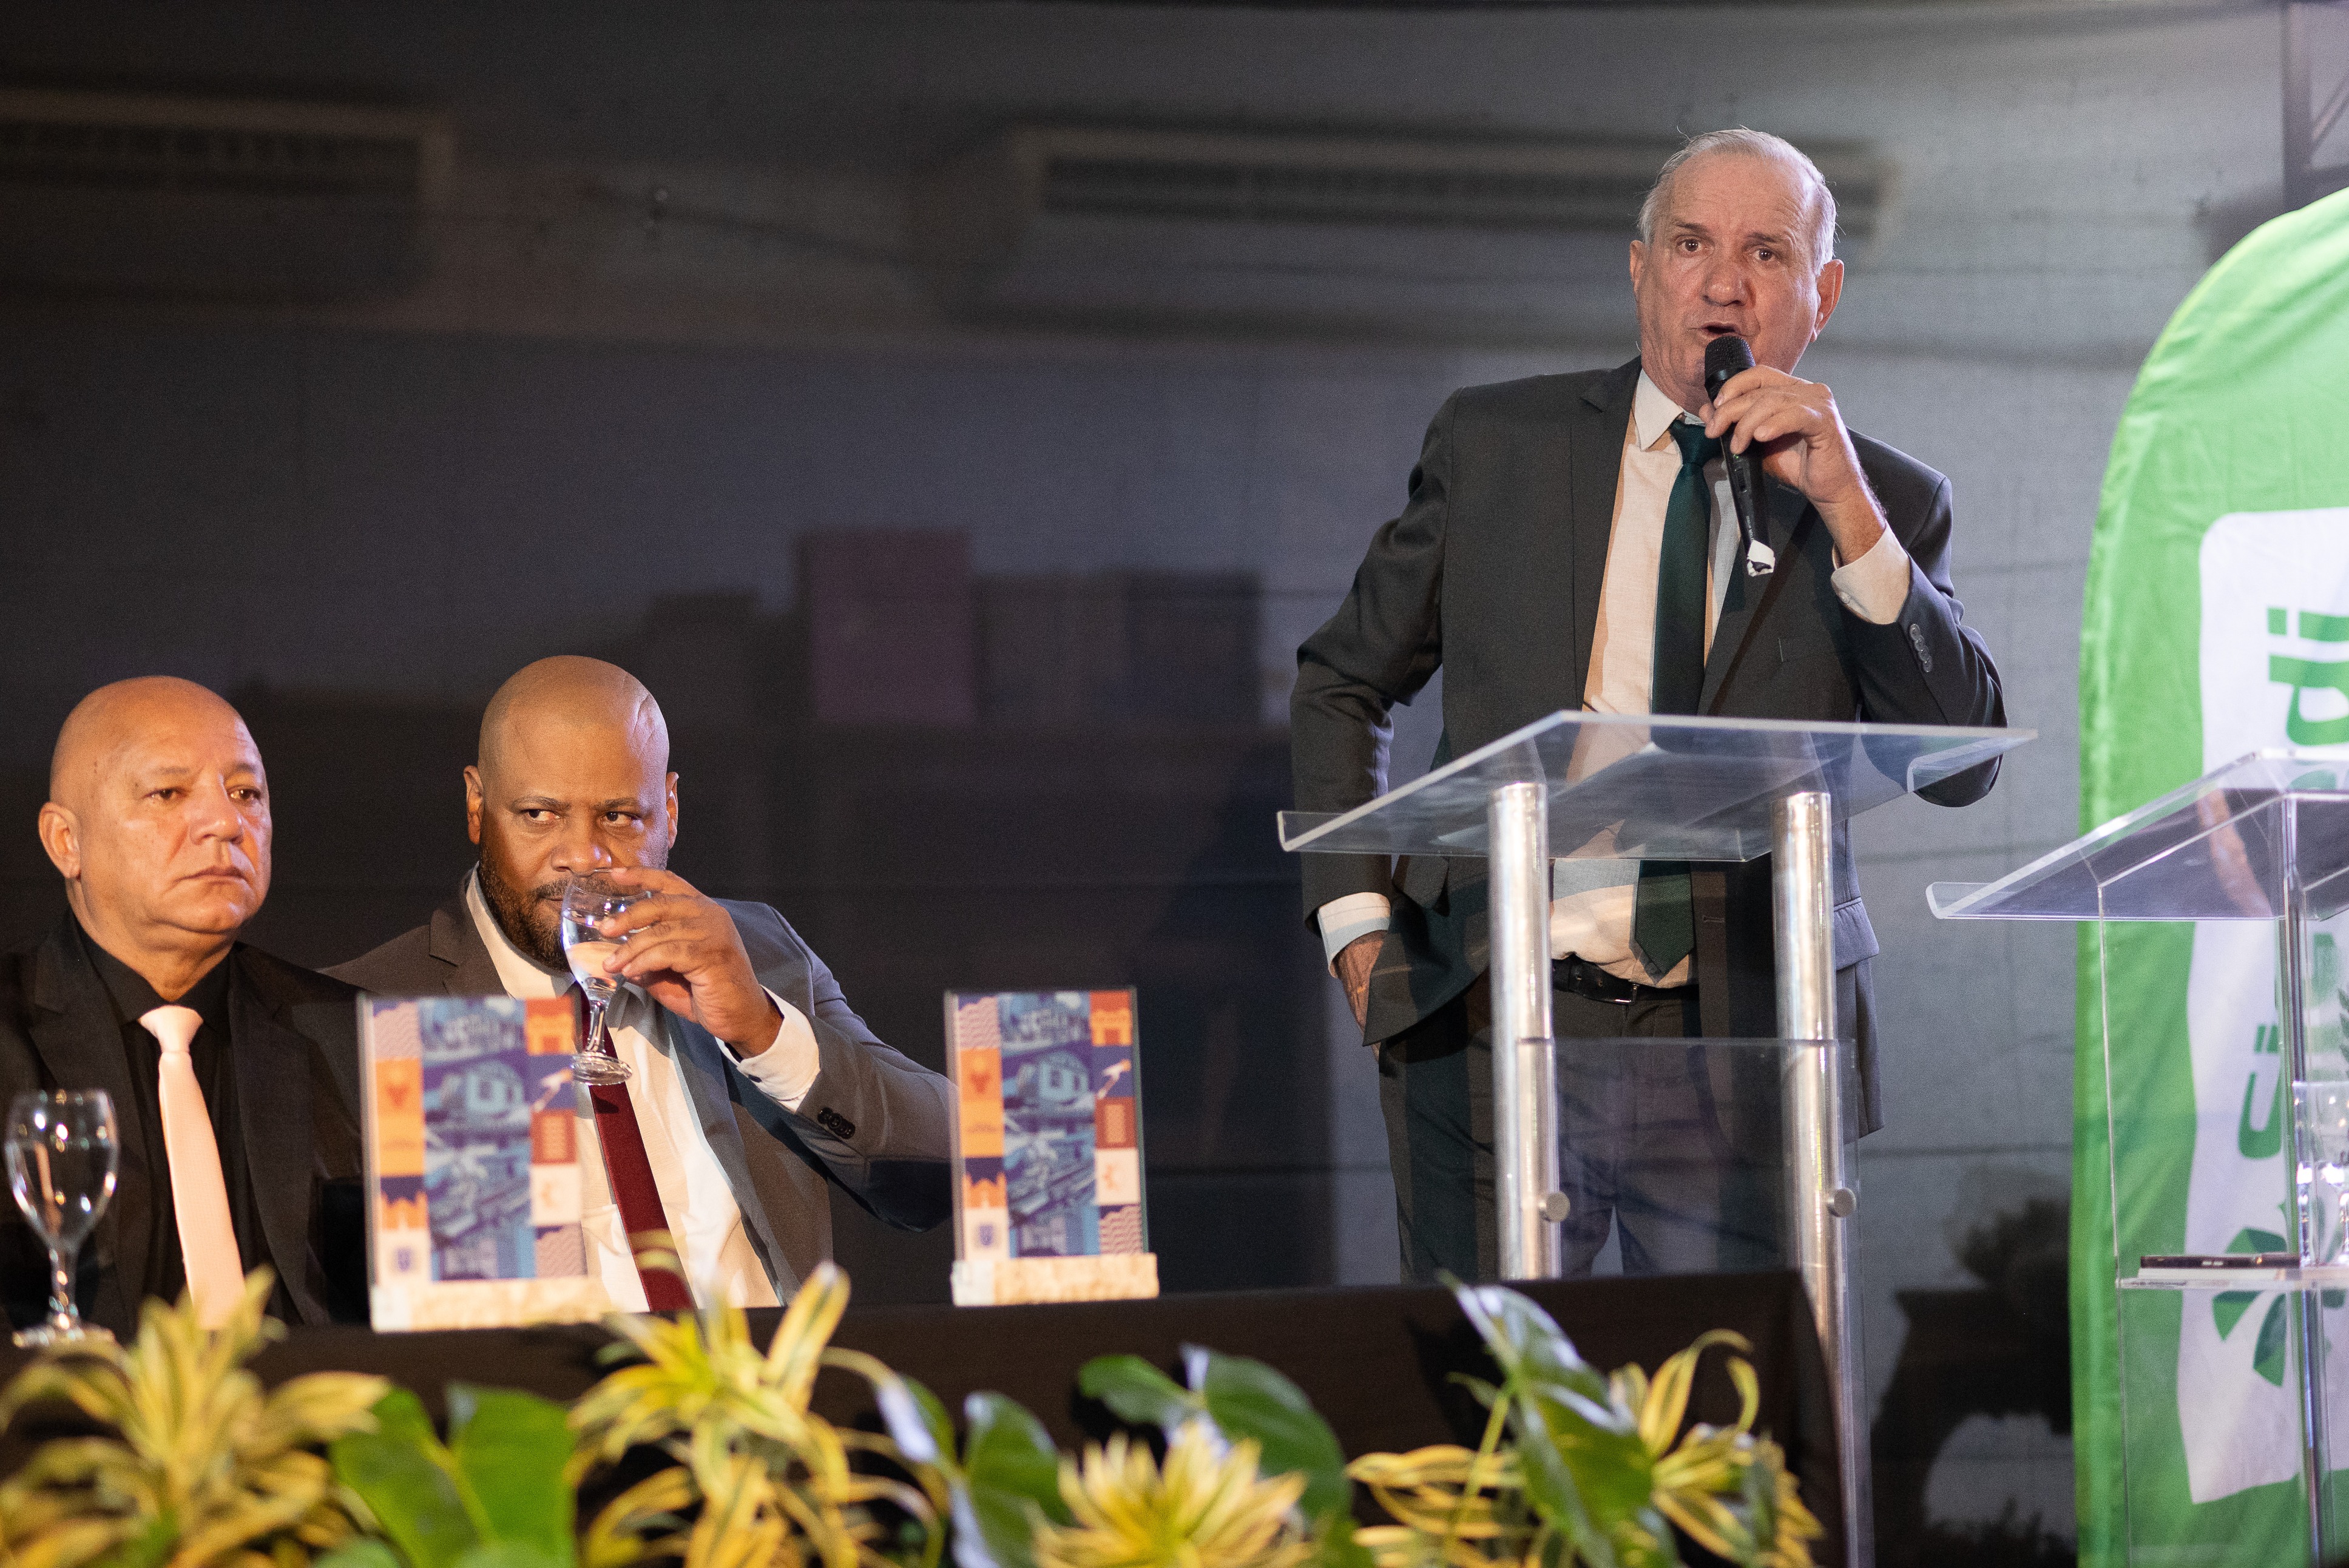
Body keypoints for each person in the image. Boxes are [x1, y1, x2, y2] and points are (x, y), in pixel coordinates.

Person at [1291, 129, 2007, 1282]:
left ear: (1821, 296)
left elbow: (1963, 761)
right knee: (1493, 1388)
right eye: (1690, 245)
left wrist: (1845, 510)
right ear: (1640, 272)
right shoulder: (1497, 446)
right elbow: (1342, 680)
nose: (1722, 283)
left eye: (1765, 253)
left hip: (1753, 1047)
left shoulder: (1882, 501)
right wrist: (1356, 928)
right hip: (1490, 1018)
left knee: (1733, 1393)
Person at [332, 655, 953, 1308]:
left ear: (671, 810)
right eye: (540, 814)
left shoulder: (756, 951)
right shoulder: (372, 1008)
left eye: (621, 817)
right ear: (477, 805)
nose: (583, 856)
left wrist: (761, 1031)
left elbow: (945, 1175)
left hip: (764, 1369)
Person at [0, 677, 366, 1336]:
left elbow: (470, 1309)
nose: (226, 823)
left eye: (246, 793)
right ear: (65, 841)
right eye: (168, 793)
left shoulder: (362, 1038)